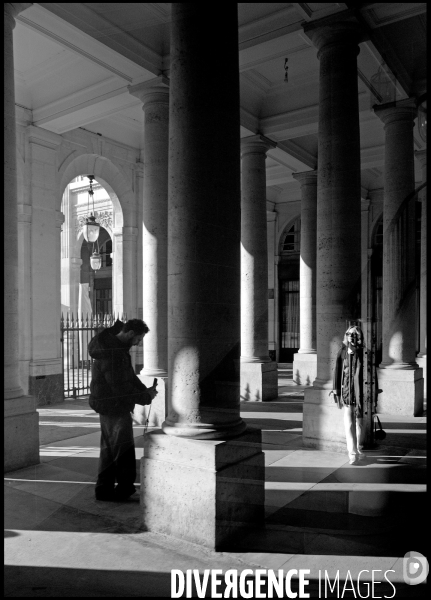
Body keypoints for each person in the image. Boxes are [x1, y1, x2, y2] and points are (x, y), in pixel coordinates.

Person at [88, 318, 158, 501]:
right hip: (113, 407)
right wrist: (144, 397)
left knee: (111, 449)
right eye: (139, 338)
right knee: (122, 451)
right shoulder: (113, 353)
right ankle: (122, 490)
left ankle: (105, 490)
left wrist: (144, 391)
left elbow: (128, 377)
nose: (139, 343)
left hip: (110, 406)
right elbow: (120, 387)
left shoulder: (117, 348)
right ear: (130, 333)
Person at [330, 325, 364, 465]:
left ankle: (359, 448)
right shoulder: (342, 352)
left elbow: (371, 373)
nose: (351, 336)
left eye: (355, 334)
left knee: (360, 423)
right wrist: (336, 390)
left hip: (361, 394)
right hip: (347, 392)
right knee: (349, 423)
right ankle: (353, 453)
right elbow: (337, 372)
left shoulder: (364, 352)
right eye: (349, 334)